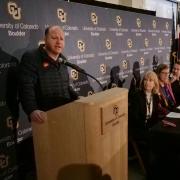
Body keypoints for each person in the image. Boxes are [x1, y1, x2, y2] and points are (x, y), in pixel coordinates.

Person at [18, 25, 78, 123]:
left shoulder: (63, 60)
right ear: (45, 39)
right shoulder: (31, 57)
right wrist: (32, 110)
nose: (59, 42)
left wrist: (77, 97)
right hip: (44, 117)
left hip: (66, 114)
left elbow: (66, 87)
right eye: (54, 38)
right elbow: (26, 88)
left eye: (62, 39)